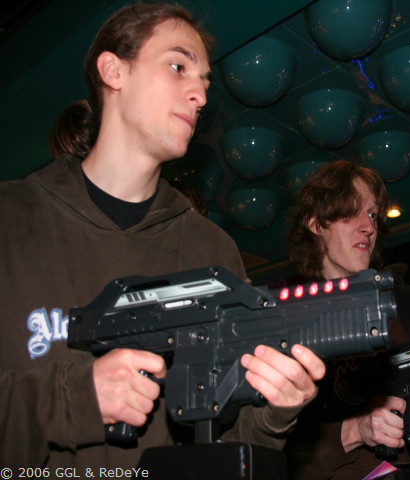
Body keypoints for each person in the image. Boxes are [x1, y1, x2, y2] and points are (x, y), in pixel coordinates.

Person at [0, 3, 325, 470]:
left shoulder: (212, 251)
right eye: (178, 67)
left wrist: (277, 410)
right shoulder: (11, 219)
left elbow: (228, 440)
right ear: (113, 71)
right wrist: (74, 400)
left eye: (205, 81)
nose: (201, 95)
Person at [285, 160, 410, 480]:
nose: (368, 227)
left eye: (372, 214)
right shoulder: (288, 326)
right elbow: (273, 457)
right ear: (316, 223)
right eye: (352, 212)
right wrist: (354, 430)